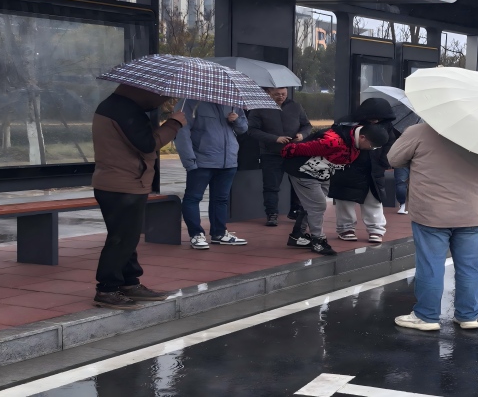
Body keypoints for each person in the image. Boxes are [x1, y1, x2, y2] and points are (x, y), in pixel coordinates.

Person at [387, 122, 478, 331]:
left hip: (431, 212)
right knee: (470, 266)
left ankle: (427, 315)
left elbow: (393, 158)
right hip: (472, 212)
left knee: (430, 264)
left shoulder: (420, 131)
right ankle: (468, 315)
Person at [91, 85, 185, 310]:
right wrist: (174, 123)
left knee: (127, 237)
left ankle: (129, 282)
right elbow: (147, 144)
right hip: (123, 184)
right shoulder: (124, 110)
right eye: (163, 95)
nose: (163, 101)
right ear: (147, 91)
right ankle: (107, 289)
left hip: (122, 182)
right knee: (121, 239)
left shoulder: (117, 105)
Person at [280, 123, 390, 255]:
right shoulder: (332, 141)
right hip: (303, 171)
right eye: (372, 146)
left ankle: (297, 235)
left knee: (311, 205)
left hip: (324, 172)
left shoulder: (353, 139)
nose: (372, 149)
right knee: (318, 205)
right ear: (362, 138)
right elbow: (292, 150)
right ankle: (318, 241)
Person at [174, 100, 249, 250]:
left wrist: (237, 120)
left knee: (221, 199)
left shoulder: (232, 102)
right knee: (193, 198)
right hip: (201, 161)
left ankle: (219, 233)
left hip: (228, 161)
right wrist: (189, 160)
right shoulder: (190, 102)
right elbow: (182, 131)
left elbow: (243, 129)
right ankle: (196, 234)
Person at [330, 98, 397, 243]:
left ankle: (376, 230)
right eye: (372, 118)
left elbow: (390, 145)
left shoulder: (387, 126)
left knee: (373, 200)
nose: (375, 120)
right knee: (344, 199)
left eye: (378, 118)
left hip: (373, 169)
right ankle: (346, 228)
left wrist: (385, 162)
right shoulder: (345, 123)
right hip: (348, 167)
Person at [247, 87, 312, 227]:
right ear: (269, 92)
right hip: (271, 153)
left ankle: (296, 210)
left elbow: (307, 125)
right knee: (271, 186)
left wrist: (302, 135)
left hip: (294, 152)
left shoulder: (295, 106)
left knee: (299, 183)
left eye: (283, 94)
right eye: (277, 94)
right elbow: (252, 130)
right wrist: (274, 138)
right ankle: (272, 214)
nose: (281, 96)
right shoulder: (259, 108)